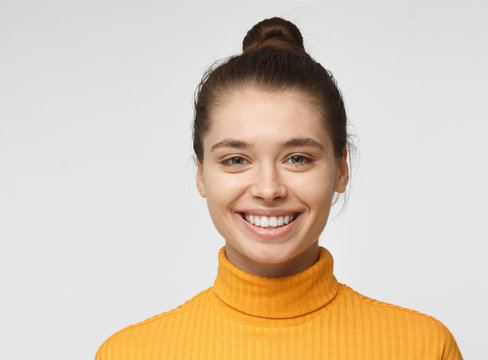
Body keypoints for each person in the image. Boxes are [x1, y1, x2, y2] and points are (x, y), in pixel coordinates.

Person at [95, 17, 463, 359]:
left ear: (340, 169)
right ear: (201, 174)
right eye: (236, 159)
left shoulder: (422, 347)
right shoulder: (129, 353)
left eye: (298, 158)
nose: (268, 189)